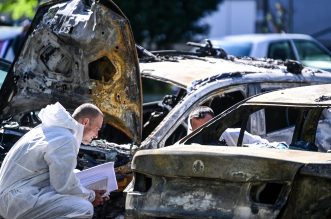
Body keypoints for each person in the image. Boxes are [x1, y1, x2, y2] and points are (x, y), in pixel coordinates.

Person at [0, 102, 108, 219]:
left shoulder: (55, 130)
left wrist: (89, 190)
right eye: (97, 129)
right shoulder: (65, 138)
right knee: (84, 208)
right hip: (17, 200)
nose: (97, 135)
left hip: (16, 196)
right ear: (85, 122)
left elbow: (62, 176)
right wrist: (91, 196)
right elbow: (63, 185)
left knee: (76, 175)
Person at [188, 106, 288, 149]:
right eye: (200, 131)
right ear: (192, 131)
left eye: (209, 127)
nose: (207, 133)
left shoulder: (234, 135)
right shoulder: (186, 147)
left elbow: (265, 145)